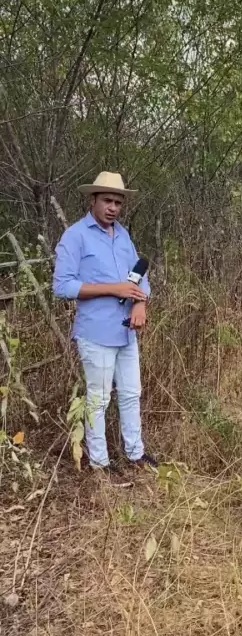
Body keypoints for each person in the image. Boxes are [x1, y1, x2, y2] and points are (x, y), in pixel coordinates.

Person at [53, 172, 157, 476]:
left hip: (126, 332)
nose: (113, 208)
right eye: (107, 201)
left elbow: (139, 276)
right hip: (96, 332)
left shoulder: (122, 235)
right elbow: (62, 286)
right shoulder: (75, 236)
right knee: (99, 399)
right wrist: (114, 289)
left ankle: (136, 454)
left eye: (118, 203)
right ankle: (100, 464)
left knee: (131, 393)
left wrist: (140, 302)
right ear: (93, 200)